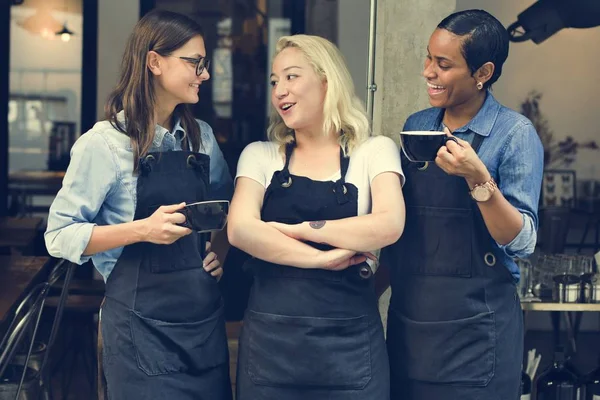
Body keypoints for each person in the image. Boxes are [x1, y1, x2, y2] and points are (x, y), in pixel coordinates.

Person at [44, 10, 233, 400]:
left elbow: (231, 210)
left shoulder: (203, 140)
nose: (205, 73)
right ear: (154, 62)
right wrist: (142, 230)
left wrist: (220, 251)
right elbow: (59, 236)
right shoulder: (104, 144)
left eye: (205, 63)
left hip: (202, 325)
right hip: (137, 331)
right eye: (195, 62)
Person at [227, 34, 405, 400]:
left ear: (327, 81)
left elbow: (389, 224)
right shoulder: (259, 155)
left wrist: (300, 229)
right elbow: (241, 230)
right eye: (275, 81)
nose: (279, 91)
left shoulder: (374, 151)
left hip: (351, 351)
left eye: (292, 77)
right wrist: (323, 258)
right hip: (270, 350)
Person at [382, 9, 544, 400]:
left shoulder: (513, 134)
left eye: (443, 64)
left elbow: (522, 241)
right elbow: (401, 230)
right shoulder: (418, 125)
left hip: (477, 340)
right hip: (411, 329)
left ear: (483, 72)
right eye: (427, 58)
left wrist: (478, 177)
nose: (428, 72)